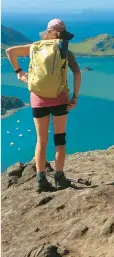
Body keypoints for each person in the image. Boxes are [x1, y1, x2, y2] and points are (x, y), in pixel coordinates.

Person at [5, 19, 81, 192]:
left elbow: (9, 52)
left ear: (47, 32)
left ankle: (41, 180)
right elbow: (77, 73)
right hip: (60, 99)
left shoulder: (34, 47)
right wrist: (75, 97)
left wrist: (20, 73)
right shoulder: (64, 49)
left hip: (37, 99)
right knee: (59, 140)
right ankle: (60, 178)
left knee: (41, 140)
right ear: (62, 34)